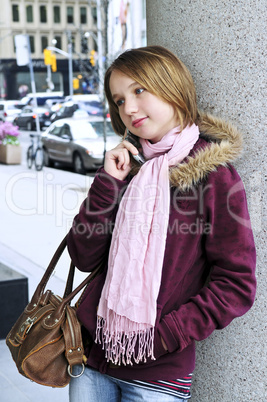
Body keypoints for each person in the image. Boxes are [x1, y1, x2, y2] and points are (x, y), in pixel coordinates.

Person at [67, 46, 256, 401]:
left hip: (156, 376)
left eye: (139, 90)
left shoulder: (213, 176)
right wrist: (108, 184)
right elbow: (83, 256)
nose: (130, 108)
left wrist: (165, 335)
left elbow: (237, 283)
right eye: (120, 100)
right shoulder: (127, 167)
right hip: (92, 362)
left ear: (172, 86)